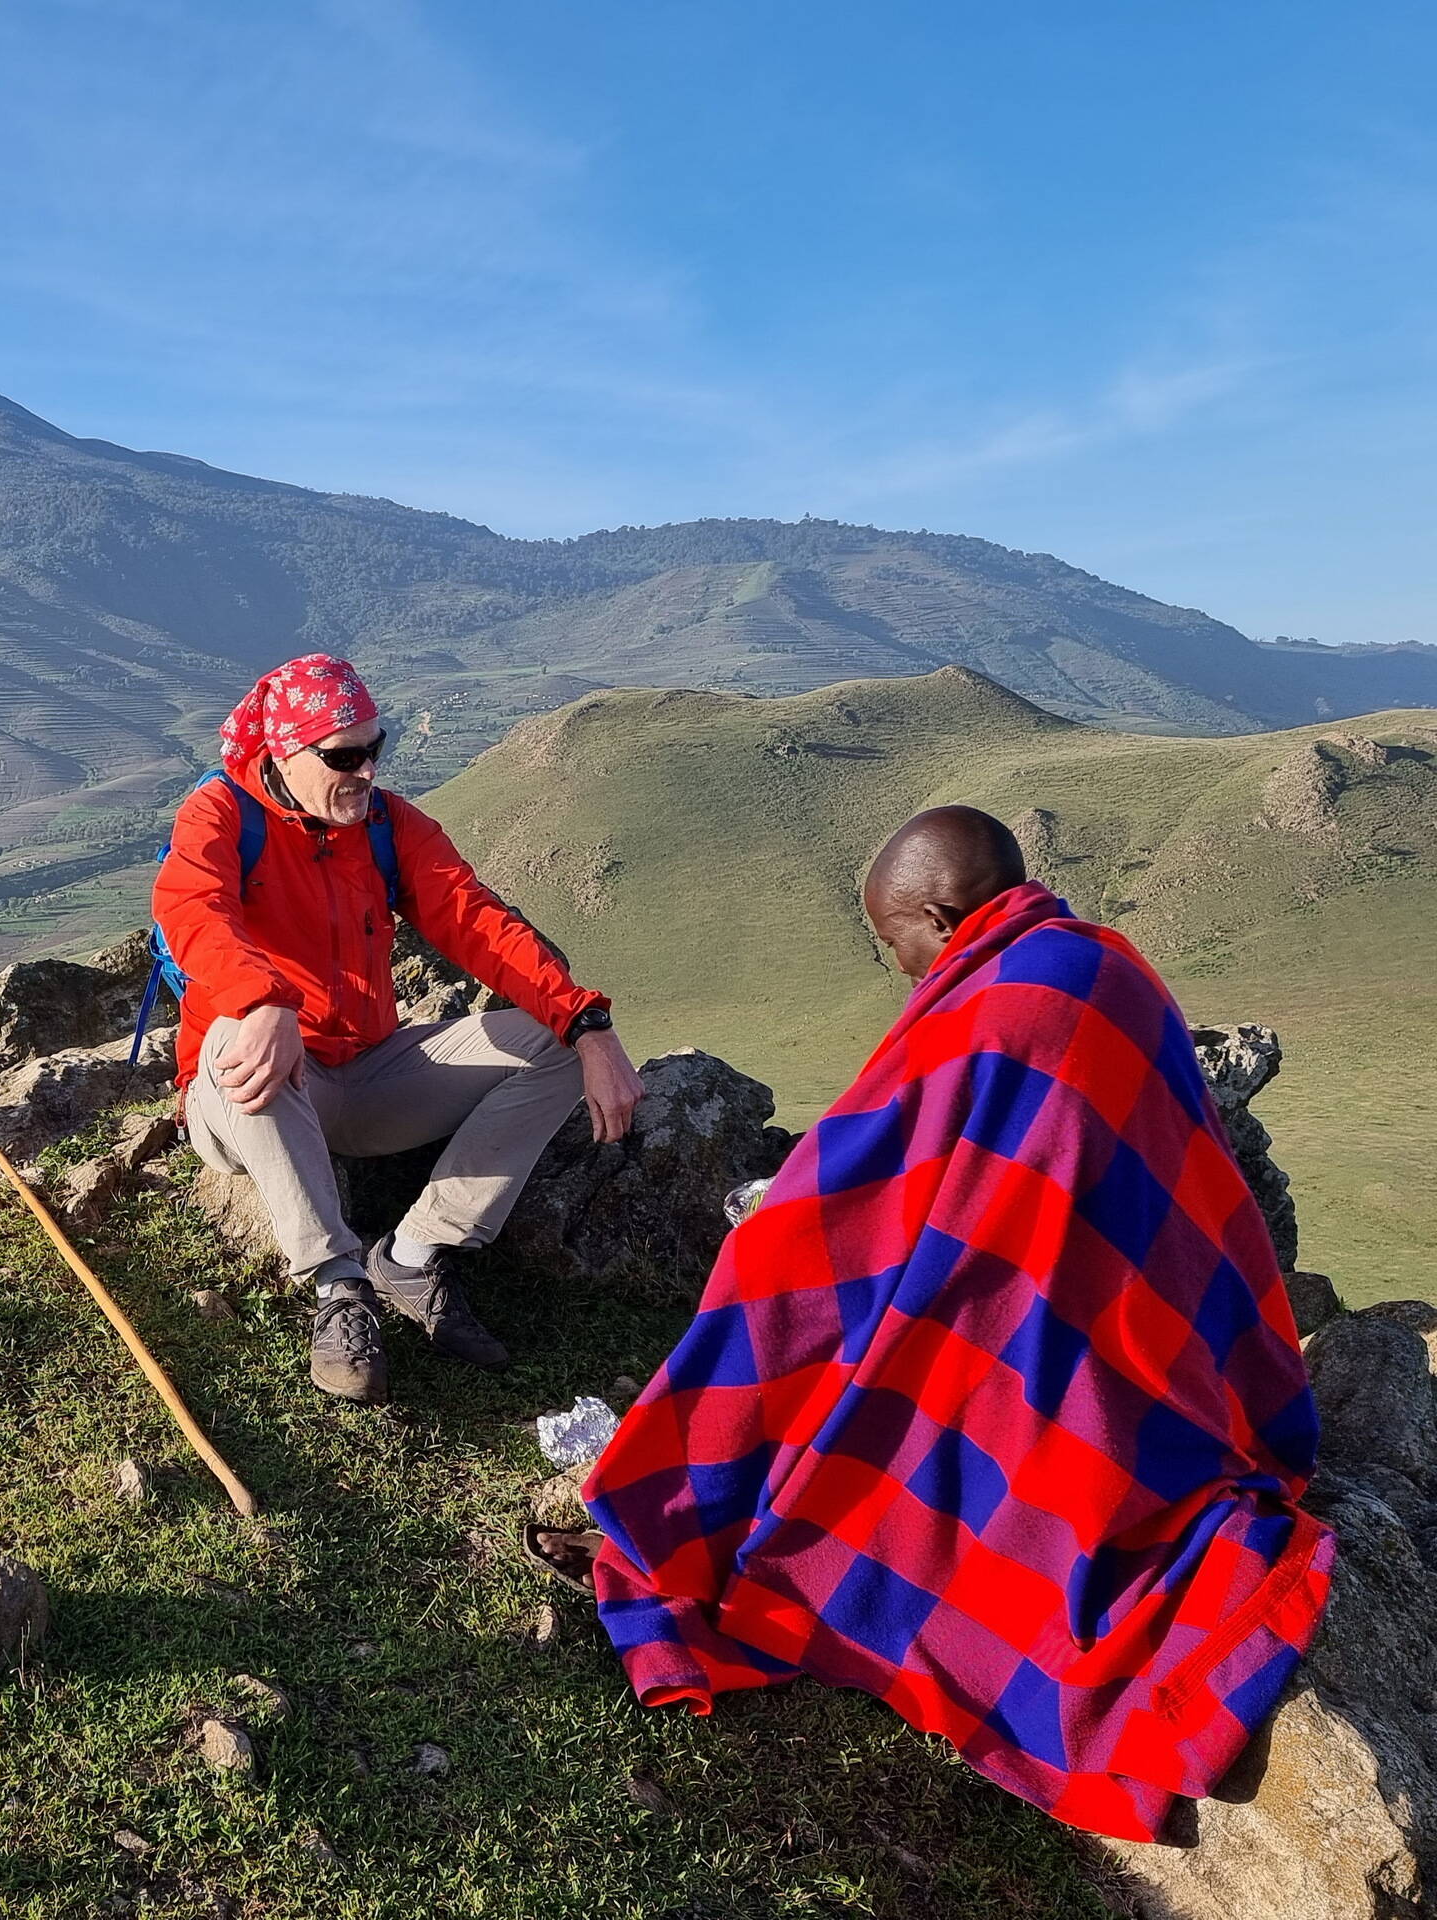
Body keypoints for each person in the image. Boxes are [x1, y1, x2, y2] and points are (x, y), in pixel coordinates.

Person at [570, 805, 1334, 1842]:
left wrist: (767, 1251)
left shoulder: (994, 1007)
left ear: (939, 912)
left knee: (823, 1351)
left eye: (900, 947)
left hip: (1052, 1377)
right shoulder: (1110, 969)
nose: (905, 973)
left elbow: (859, 1184)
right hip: (1165, 1375)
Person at [154, 653, 643, 1404]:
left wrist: (588, 1022)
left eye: (376, 748)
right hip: (254, 1094)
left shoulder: (388, 826)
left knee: (550, 1040)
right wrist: (263, 999)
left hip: (367, 1072)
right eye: (343, 755)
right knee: (235, 1035)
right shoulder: (220, 814)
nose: (366, 771)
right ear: (284, 752)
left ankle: (413, 1254)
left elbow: (475, 921)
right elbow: (192, 911)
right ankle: (339, 1289)